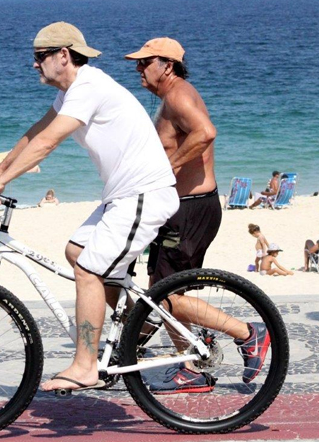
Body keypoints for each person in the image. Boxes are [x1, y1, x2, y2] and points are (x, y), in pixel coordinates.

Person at [0, 22, 180, 393]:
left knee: (89, 270)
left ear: (63, 56)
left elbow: (48, 143)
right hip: (122, 196)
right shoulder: (73, 91)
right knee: (76, 251)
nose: (35, 65)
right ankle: (112, 341)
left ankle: (87, 365)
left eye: (40, 58)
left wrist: (6, 180)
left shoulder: (89, 87)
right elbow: (37, 131)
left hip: (144, 194)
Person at [126, 37, 268, 393]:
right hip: (182, 209)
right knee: (163, 292)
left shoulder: (177, 95)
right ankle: (186, 367)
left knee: (166, 295)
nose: (138, 68)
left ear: (167, 65)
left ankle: (248, 334)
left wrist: (165, 170)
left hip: (191, 210)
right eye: (139, 63)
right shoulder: (173, 97)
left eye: (146, 63)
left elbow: (206, 132)